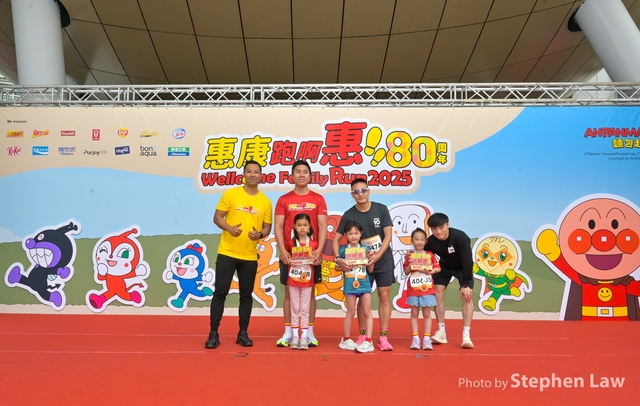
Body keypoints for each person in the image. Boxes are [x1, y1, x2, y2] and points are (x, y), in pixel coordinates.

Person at [204, 160, 272, 349]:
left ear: (260, 176)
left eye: (256, 172)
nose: (252, 174)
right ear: (244, 174)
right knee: (220, 293)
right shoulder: (231, 194)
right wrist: (230, 229)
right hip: (227, 253)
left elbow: (267, 228)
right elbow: (217, 217)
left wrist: (259, 235)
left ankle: (243, 333)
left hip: (249, 257)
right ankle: (213, 333)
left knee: (246, 296)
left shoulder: (265, 202)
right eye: (249, 171)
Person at [333, 178, 395, 351]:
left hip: (382, 259)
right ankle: (362, 334)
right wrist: (338, 258)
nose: (360, 194)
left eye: (363, 190)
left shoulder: (381, 209)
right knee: (361, 297)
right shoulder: (348, 215)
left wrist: (378, 255)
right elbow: (336, 239)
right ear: (352, 194)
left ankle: (383, 336)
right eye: (356, 191)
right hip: (359, 263)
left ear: (368, 191)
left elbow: (388, 236)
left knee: (384, 295)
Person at [274, 160, 327, 347]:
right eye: (298, 171)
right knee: (289, 293)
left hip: (312, 256)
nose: (302, 175)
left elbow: (323, 226)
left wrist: (318, 251)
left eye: (305, 172)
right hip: (290, 255)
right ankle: (289, 332)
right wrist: (283, 251)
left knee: (309, 293)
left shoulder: (318, 199)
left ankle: (308, 332)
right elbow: (278, 227)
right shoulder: (283, 200)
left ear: (310, 176)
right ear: (292, 175)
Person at [425, 212, 475, 349]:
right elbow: (423, 254)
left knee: (467, 296)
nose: (438, 232)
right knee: (437, 293)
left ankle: (466, 335)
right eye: (434, 229)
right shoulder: (431, 241)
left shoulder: (460, 237)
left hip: (462, 268)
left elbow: (467, 261)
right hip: (444, 267)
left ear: (448, 225)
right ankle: (441, 332)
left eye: (441, 227)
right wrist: (412, 256)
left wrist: (465, 284)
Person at [336, 221, 374, 353]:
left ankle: (368, 340)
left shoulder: (365, 250)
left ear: (361, 234)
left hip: (364, 285)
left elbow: (371, 269)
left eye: (356, 233)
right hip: (350, 286)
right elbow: (336, 267)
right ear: (345, 235)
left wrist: (370, 260)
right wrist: (344, 266)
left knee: (367, 312)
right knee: (350, 312)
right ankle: (346, 339)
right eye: (350, 233)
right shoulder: (343, 250)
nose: (353, 236)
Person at [403, 228, 441, 350]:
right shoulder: (409, 256)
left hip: (427, 289)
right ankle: (415, 339)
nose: (419, 242)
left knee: (427, 314)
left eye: (422, 239)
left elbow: (438, 268)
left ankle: (426, 339)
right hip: (413, 290)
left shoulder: (430, 255)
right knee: (414, 314)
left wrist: (431, 271)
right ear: (412, 240)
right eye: (416, 239)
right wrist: (410, 264)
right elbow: (406, 272)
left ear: (425, 241)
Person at [286, 213, 318, 350]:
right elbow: (285, 258)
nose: (302, 228)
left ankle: (304, 337)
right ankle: (295, 336)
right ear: (294, 226)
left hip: (307, 281)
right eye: (299, 225)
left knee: (305, 309)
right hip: (293, 280)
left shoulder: (314, 244)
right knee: (295, 308)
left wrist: (315, 260)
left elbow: (319, 260)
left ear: (309, 226)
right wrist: (289, 260)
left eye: (305, 225)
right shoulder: (290, 243)